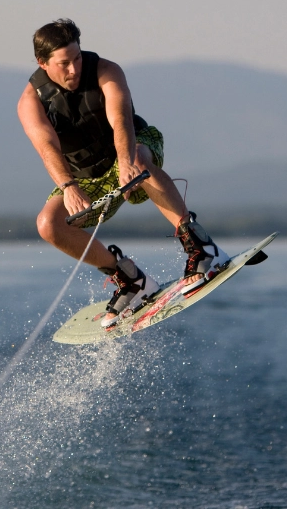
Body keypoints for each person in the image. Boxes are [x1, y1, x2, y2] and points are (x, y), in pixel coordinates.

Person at [17, 19, 223, 328]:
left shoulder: (106, 70)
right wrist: (69, 186)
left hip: (135, 148)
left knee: (139, 159)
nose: (74, 69)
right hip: (84, 178)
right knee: (49, 224)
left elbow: (120, 118)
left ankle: (201, 246)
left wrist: (126, 160)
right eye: (64, 64)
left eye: (76, 58)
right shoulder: (30, 103)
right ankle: (129, 279)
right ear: (42, 64)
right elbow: (47, 147)